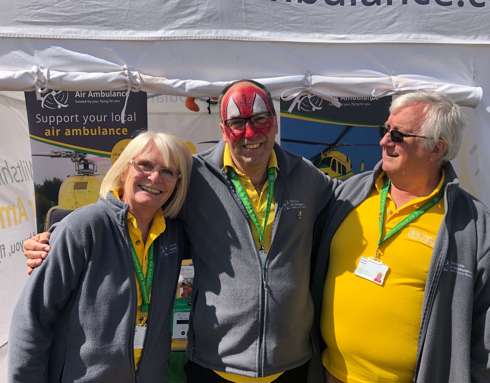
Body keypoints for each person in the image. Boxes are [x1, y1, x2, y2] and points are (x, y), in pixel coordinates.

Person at [24, 80, 338, 383]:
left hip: (289, 363)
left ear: (274, 120)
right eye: (237, 122)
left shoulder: (307, 178)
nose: (250, 133)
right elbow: (129, 211)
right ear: (222, 130)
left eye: (259, 119)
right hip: (215, 365)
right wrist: (56, 236)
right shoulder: (194, 176)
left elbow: (352, 202)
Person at [311, 91, 490, 383]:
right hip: (331, 374)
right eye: (385, 130)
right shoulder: (349, 194)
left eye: (398, 136)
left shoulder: (472, 224)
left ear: (436, 148)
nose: (384, 141)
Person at [10, 131, 192, 383]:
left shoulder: (173, 236)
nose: (154, 177)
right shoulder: (83, 227)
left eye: (168, 172)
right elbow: (32, 319)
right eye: (145, 165)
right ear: (124, 169)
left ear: (177, 182)